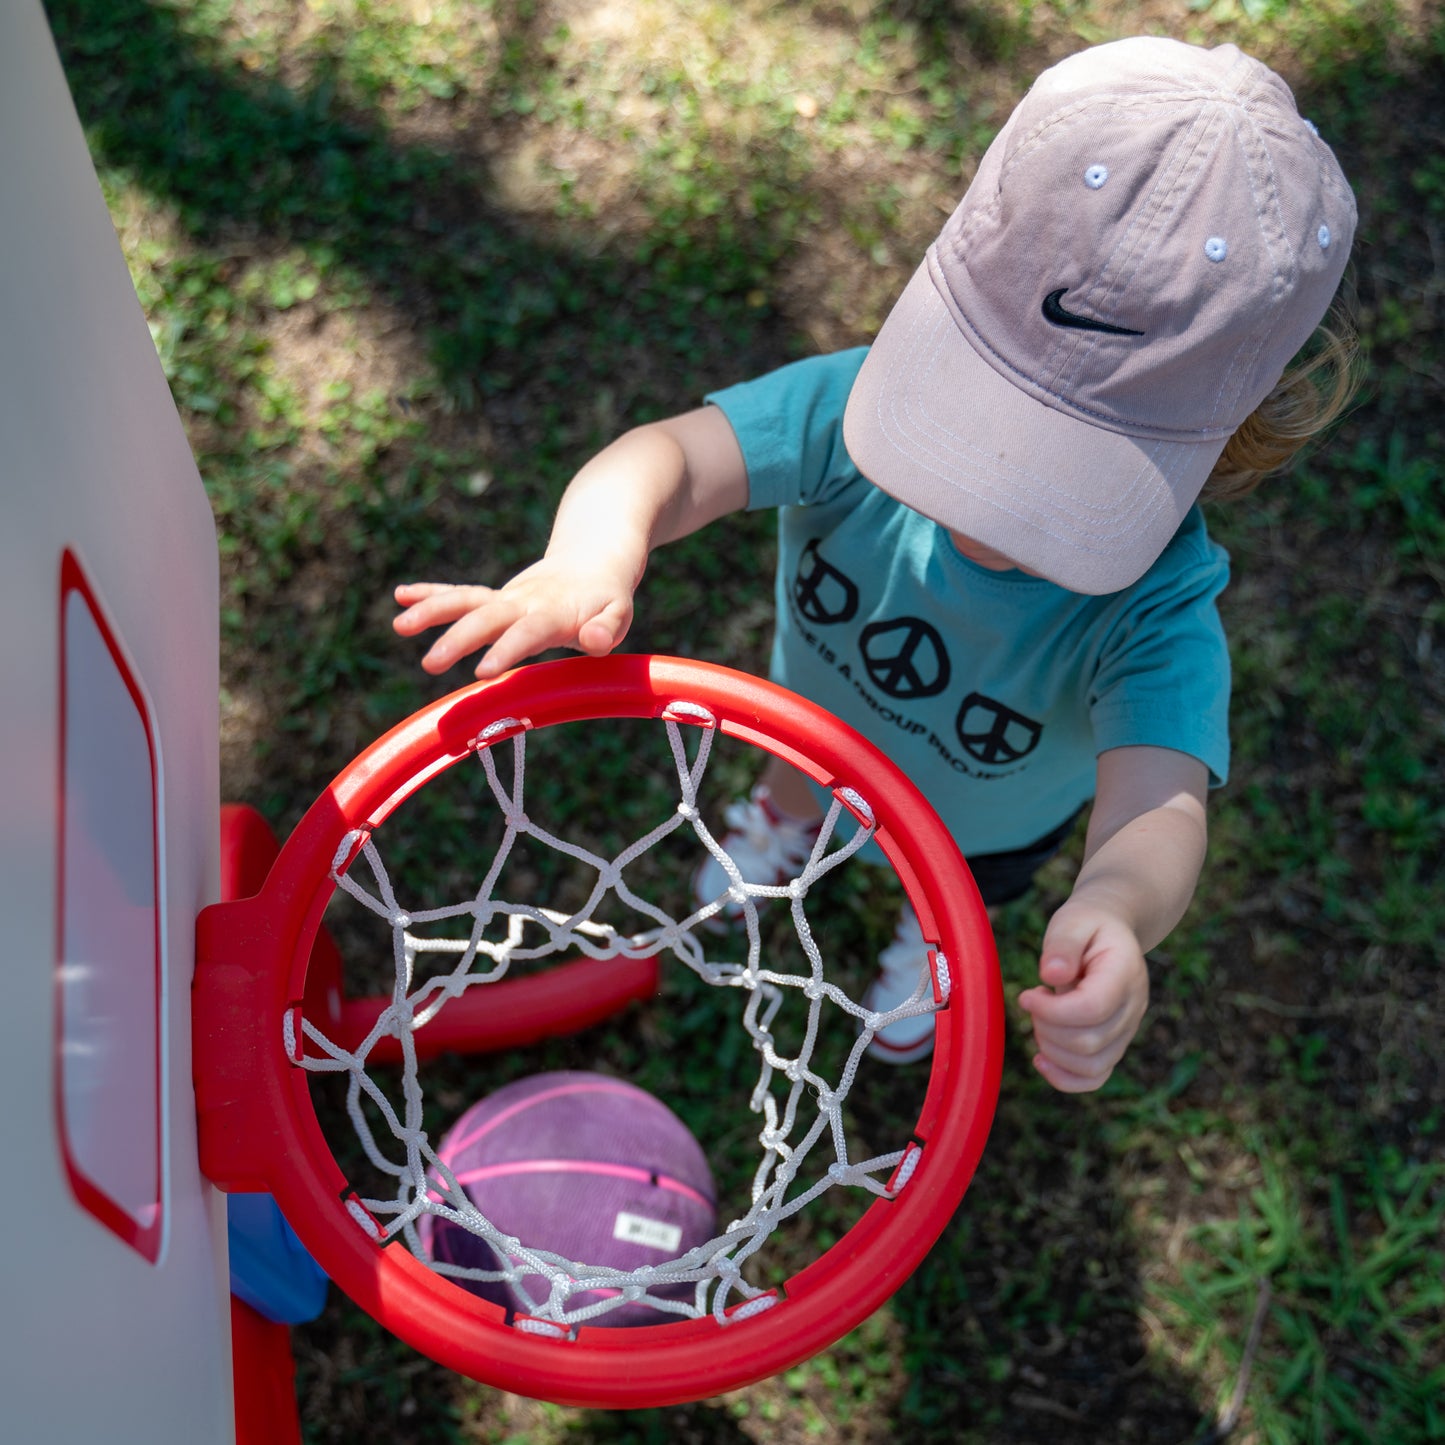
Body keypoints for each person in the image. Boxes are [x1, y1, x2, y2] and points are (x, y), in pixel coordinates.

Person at [392, 38, 1358, 1092]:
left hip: (982, 830)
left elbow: (1157, 804)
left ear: (1231, 439)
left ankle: (929, 931)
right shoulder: (841, 408)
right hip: (809, 730)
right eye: (968, 423)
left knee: (952, 883)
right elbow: (667, 459)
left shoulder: (1156, 608)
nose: (989, 497)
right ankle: (781, 825)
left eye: (1063, 487)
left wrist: (1116, 906)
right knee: (793, 775)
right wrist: (588, 554)